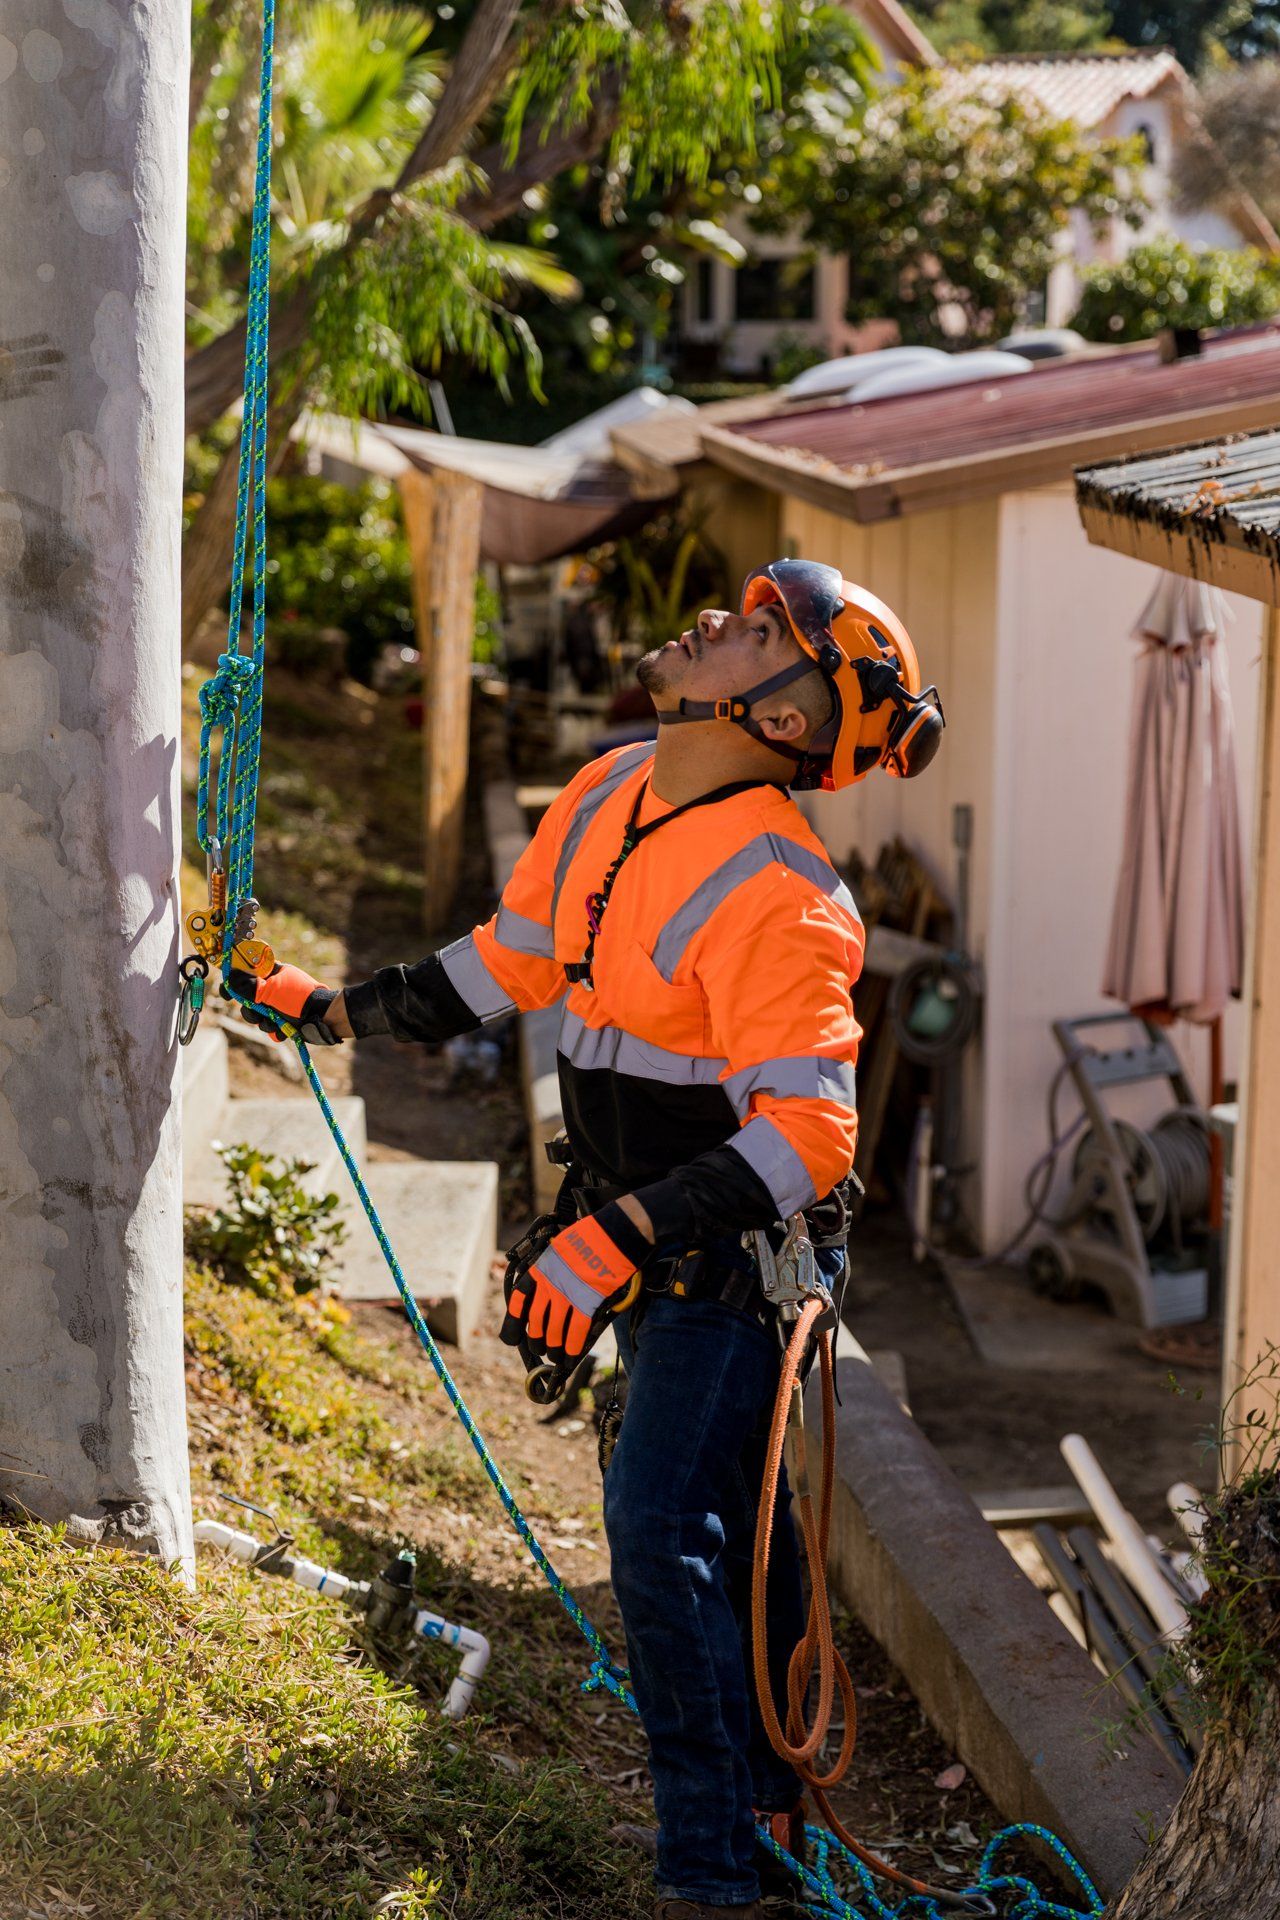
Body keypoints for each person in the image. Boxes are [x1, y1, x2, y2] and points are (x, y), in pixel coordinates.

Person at [229, 559, 944, 1920]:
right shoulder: (620, 785)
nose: (718, 620)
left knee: (667, 1524)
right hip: (646, 1228)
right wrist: (334, 1009)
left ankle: (713, 1878)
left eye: (759, 630)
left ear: (788, 717)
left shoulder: (787, 894)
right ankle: (767, 1825)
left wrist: (615, 1235)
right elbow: (513, 958)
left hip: (731, 1252)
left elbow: (811, 1138)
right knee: (729, 1534)